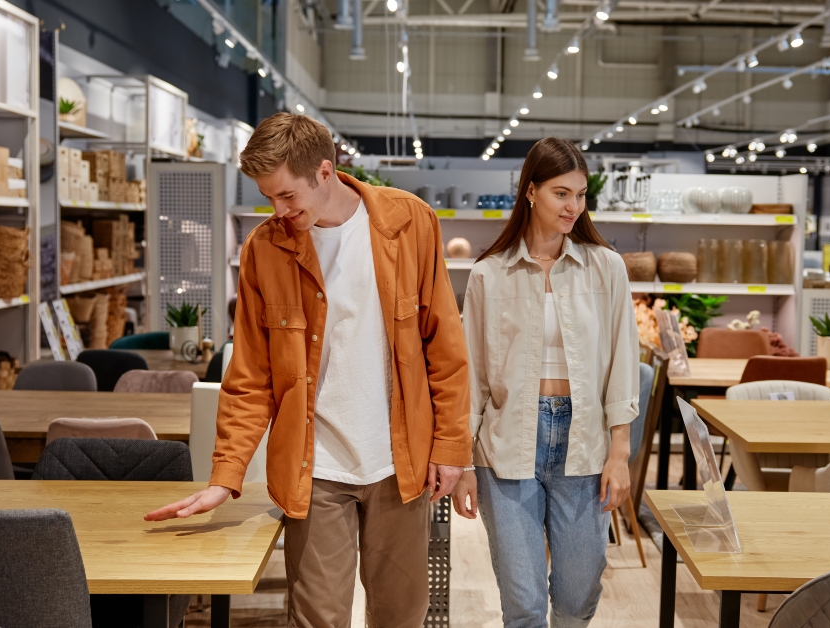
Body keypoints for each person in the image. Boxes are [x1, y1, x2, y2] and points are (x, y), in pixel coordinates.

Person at [145, 112, 471, 628]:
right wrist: (225, 477)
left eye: (287, 196)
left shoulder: (410, 223)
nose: (278, 210)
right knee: (316, 619)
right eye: (268, 197)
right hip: (313, 469)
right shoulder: (264, 249)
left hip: (400, 464)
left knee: (400, 617)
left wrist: (452, 449)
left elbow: (445, 350)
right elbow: (249, 376)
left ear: (325, 172)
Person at [452, 137, 640, 627]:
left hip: (585, 444)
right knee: (525, 605)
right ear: (530, 192)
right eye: (562, 193)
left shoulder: (607, 268)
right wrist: (464, 463)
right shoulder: (488, 275)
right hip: (506, 444)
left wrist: (619, 454)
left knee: (578, 600)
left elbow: (623, 364)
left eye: (580, 194)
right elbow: (470, 377)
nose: (574, 206)